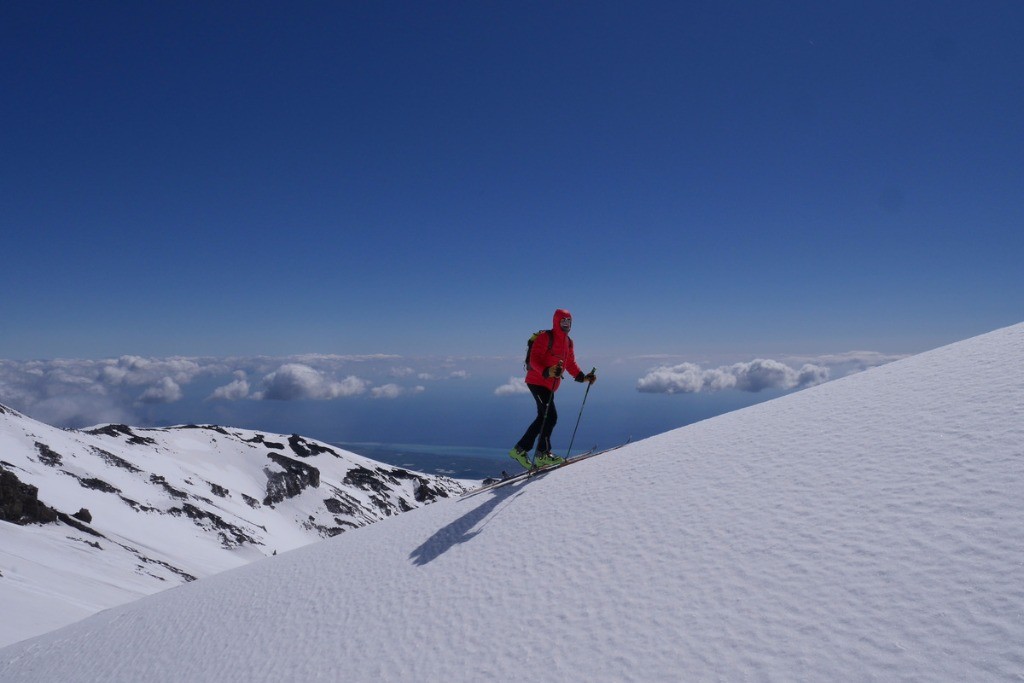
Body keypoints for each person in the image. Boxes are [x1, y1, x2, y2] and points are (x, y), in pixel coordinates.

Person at [509, 309, 597, 469]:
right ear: (556, 321)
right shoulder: (545, 337)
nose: (566, 324)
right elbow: (534, 360)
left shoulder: (568, 342)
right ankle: (542, 453)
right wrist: (547, 371)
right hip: (537, 382)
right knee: (550, 416)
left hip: (549, 386)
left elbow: (570, 364)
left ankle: (519, 450)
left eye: (569, 321)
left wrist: (584, 377)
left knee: (543, 417)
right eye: (563, 321)